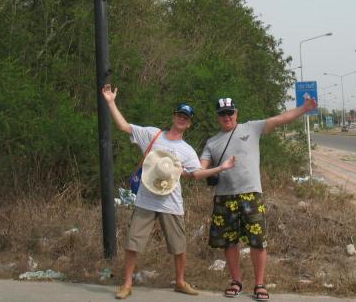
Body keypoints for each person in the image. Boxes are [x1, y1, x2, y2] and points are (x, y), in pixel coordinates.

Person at [101, 84, 236, 300]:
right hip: (146, 200)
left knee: (178, 246)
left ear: (189, 123)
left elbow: (196, 174)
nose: (182, 119)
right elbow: (124, 126)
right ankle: (127, 283)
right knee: (133, 243)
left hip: (171, 202)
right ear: (174, 116)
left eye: (186, 117)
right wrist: (110, 102)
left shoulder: (187, 150)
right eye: (179, 114)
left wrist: (221, 168)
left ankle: (180, 282)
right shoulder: (152, 135)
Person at [200, 96, 317, 301]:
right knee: (229, 243)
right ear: (218, 117)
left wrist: (304, 108)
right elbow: (200, 170)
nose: (226, 117)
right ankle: (236, 281)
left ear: (236, 113)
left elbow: (281, 119)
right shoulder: (212, 142)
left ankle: (260, 284)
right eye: (222, 114)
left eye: (230, 113)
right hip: (224, 197)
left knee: (257, 241)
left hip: (251, 194)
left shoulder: (251, 128)